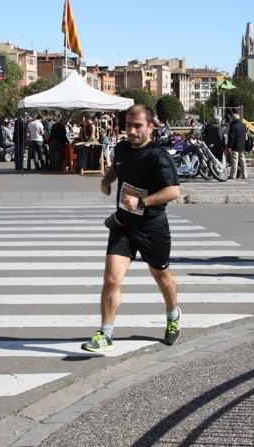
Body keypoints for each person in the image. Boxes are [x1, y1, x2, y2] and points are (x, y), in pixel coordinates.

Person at [81, 104, 181, 352]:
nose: (132, 131)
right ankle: (105, 334)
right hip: (123, 224)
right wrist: (106, 180)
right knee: (112, 278)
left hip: (152, 227)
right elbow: (118, 167)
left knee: (161, 276)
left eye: (138, 126)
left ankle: (172, 315)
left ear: (150, 127)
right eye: (128, 126)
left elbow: (173, 191)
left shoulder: (159, 155)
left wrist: (143, 202)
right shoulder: (123, 148)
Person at [227, 113, 248, 180]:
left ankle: (233, 175)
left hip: (235, 146)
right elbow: (245, 136)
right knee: (243, 161)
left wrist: (230, 146)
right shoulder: (243, 125)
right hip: (242, 146)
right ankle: (245, 175)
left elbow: (231, 137)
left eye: (232, 118)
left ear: (233, 119)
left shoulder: (233, 126)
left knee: (234, 162)